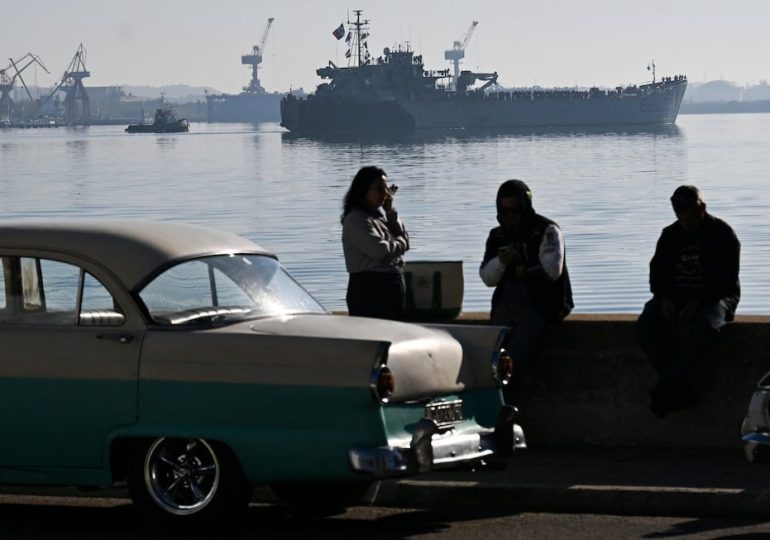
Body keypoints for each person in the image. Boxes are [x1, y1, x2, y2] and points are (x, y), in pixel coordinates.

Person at [637, 185, 740, 418]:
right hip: (677, 296)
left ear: (702, 208)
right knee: (645, 324)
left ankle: (666, 385)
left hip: (718, 297)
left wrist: (700, 300)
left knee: (706, 327)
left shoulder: (723, 234)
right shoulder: (669, 235)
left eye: (691, 217)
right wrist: (663, 296)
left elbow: (727, 279)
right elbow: (657, 272)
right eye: (682, 218)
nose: (686, 222)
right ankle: (678, 386)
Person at [480, 179, 573, 403]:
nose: (510, 217)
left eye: (516, 211)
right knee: (488, 363)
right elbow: (487, 278)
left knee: (510, 363)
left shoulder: (547, 231)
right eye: (505, 211)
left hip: (540, 307)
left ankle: (505, 414)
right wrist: (501, 262)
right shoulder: (497, 236)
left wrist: (523, 261)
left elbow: (552, 271)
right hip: (506, 306)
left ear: (527, 207)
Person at [341, 166, 410, 320]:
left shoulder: (378, 218)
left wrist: (390, 212)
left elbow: (402, 238)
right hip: (370, 291)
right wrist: (402, 243)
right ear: (363, 190)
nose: (386, 193)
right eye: (380, 188)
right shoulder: (356, 220)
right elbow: (381, 251)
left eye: (386, 188)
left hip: (390, 289)